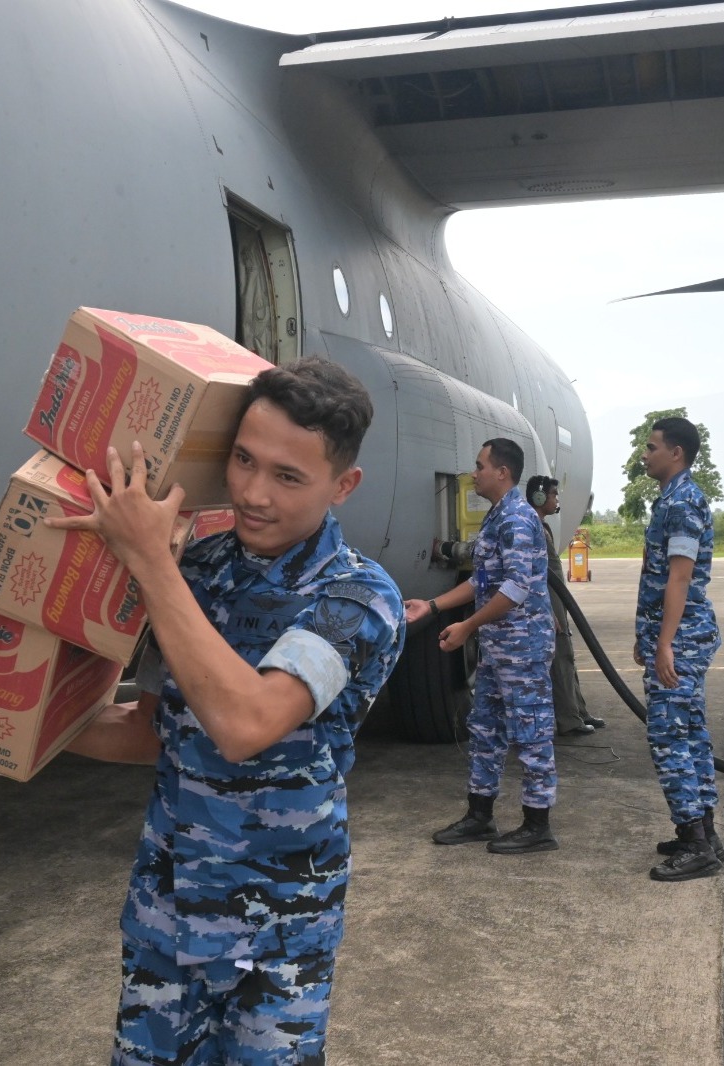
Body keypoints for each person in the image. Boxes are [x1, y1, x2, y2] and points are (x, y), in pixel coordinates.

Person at [47, 358, 406, 1065]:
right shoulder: (198, 570)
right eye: (243, 460)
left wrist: (150, 563)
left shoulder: (359, 600)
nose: (251, 492)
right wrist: (10, 719)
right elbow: (152, 731)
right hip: (167, 919)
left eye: (287, 476)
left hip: (277, 940)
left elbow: (245, 725)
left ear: (344, 485)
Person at [405, 438, 559, 855]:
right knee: (486, 728)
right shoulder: (497, 518)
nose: (474, 473)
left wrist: (467, 627)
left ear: (502, 472)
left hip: (522, 647)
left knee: (530, 733)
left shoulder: (517, 520)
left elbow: (515, 588)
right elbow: (481, 582)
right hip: (498, 647)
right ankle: (480, 815)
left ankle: (537, 824)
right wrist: (432, 606)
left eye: (480, 465)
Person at [633, 416, 724, 882]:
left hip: (682, 639)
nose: (644, 455)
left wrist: (664, 643)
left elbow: (679, 577)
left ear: (676, 453)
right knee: (690, 733)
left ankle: (695, 843)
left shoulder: (682, 503)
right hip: (675, 636)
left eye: (652, 447)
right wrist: (646, 636)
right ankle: (705, 832)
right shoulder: (671, 500)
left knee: (669, 738)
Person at [524, 474, 605, 740]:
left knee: (567, 655)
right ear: (539, 497)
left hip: (557, 601)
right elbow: (534, 574)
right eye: (553, 494)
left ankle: (579, 711)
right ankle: (569, 719)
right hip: (549, 601)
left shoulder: (542, 525)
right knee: (559, 658)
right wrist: (546, 610)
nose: (556, 499)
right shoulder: (533, 526)